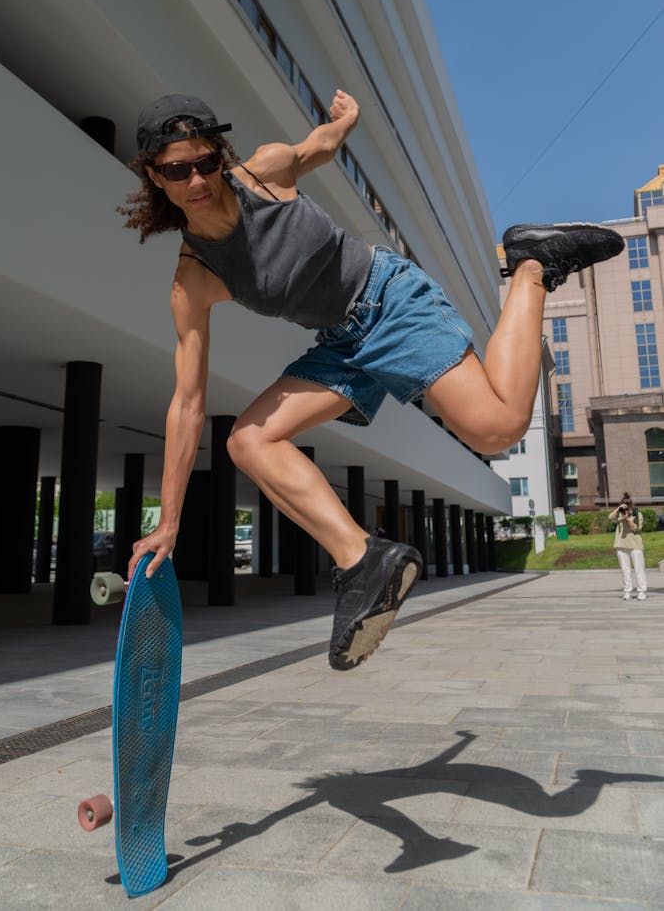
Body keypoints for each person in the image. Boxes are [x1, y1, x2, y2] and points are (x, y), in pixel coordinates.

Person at [120, 89, 624, 669]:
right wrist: (169, 523)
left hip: (387, 298)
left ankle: (532, 264)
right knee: (247, 440)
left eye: (207, 161)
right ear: (156, 177)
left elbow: (320, 146)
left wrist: (345, 122)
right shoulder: (195, 279)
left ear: (220, 153)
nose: (198, 180)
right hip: (341, 343)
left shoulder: (263, 172)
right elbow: (187, 404)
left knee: (497, 428)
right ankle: (363, 560)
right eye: (178, 170)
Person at [610, 494, 647, 600]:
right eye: (624, 504)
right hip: (621, 545)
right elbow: (610, 517)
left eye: (627, 505)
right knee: (625, 570)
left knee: (639, 569)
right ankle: (627, 591)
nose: (626, 506)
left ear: (632, 505)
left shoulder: (637, 514)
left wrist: (626, 519)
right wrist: (619, 508)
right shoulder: (619, 514)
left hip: (636, 545)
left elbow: (635, 528)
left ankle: (642, 592)